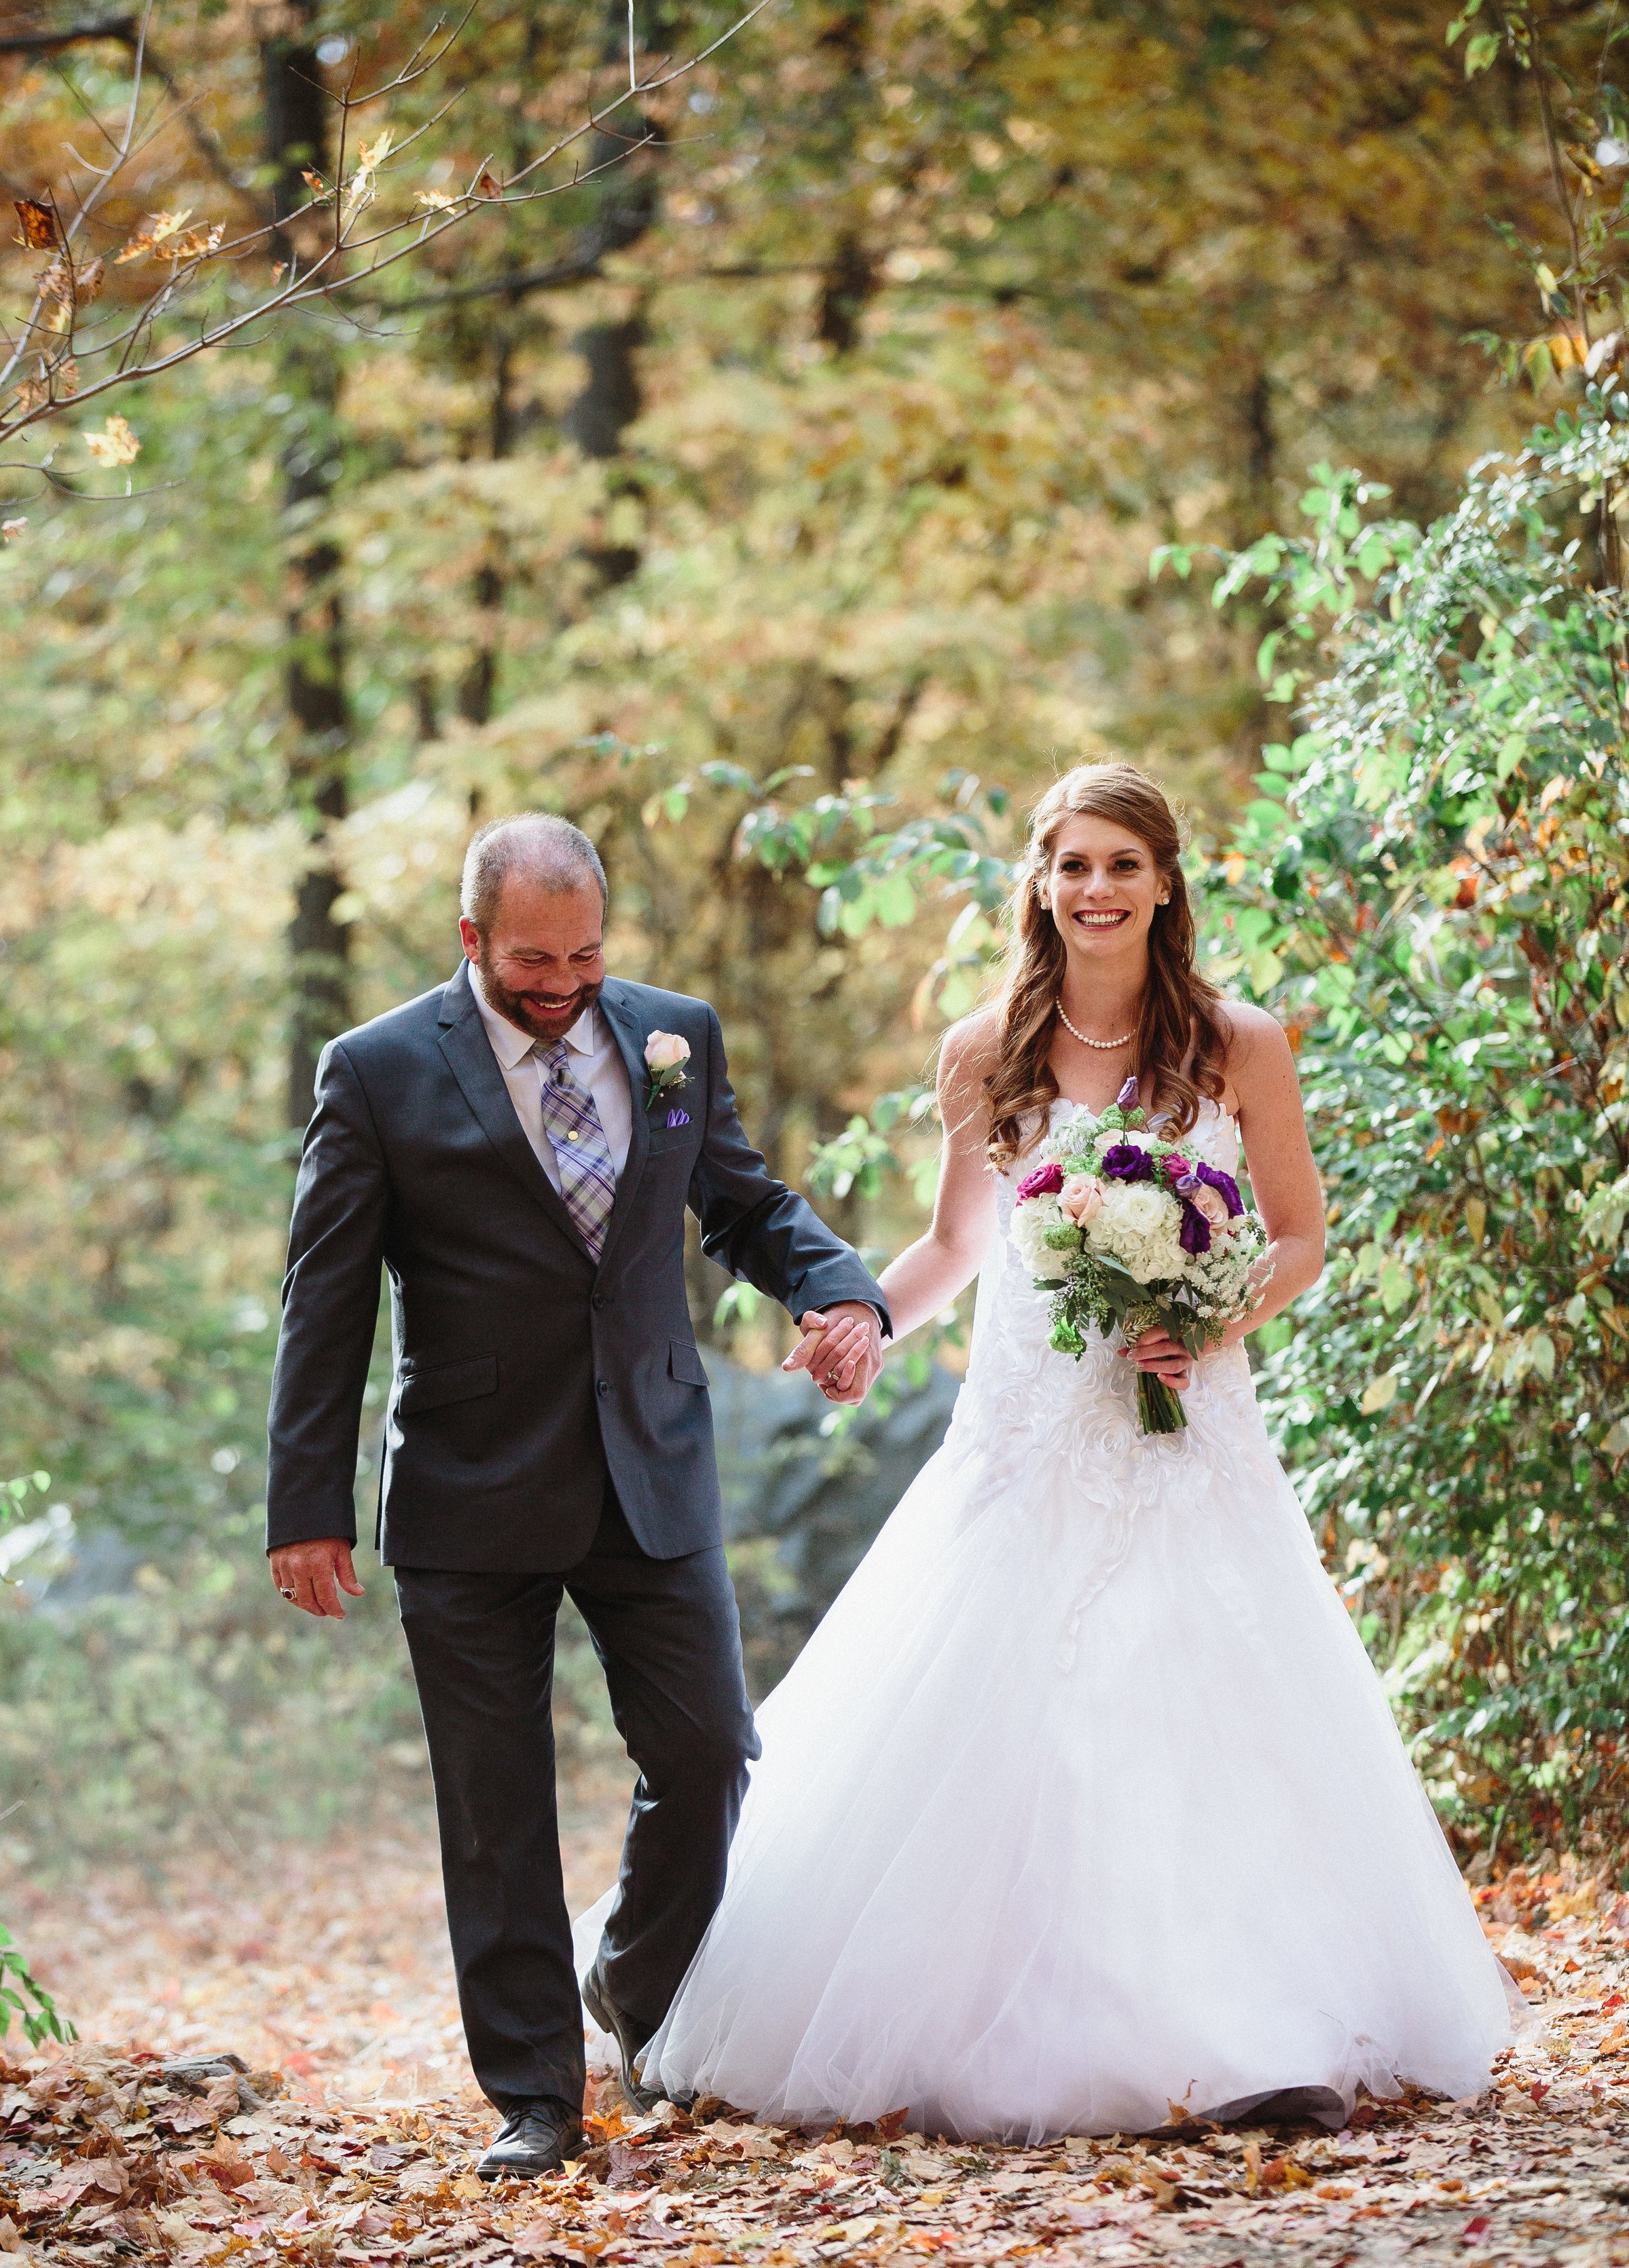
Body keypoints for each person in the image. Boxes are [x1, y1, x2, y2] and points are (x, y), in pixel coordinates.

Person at [581, 762, 1516, 2140]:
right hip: (1024, 1434)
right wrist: (859, 1319)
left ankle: (1243, 2029)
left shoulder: (1237, 1044)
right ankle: (978, 2020)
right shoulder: (982, 1052)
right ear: (1038, 881)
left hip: (1181, 1427)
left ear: (1162, 885)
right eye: (1071, 864)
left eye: (1121, 866)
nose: (1094, 890)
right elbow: (960, 1245)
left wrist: (1208, 1316)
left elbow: (1299, 1234)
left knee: (1194, 1698)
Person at [266, 813, 888, 2177]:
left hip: (648, 1462)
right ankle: (535, 2094)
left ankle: (629, 1981)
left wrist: (836, 1285)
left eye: (585, 955)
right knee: (493, 1805)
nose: (561, 984)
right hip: (466, 1484)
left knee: (710, 1751)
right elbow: (325, 1300)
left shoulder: (671, 1035)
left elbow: (734, 1197)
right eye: (532, 961)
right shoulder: (372, 1072)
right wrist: (301, 1500)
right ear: (472, 938)